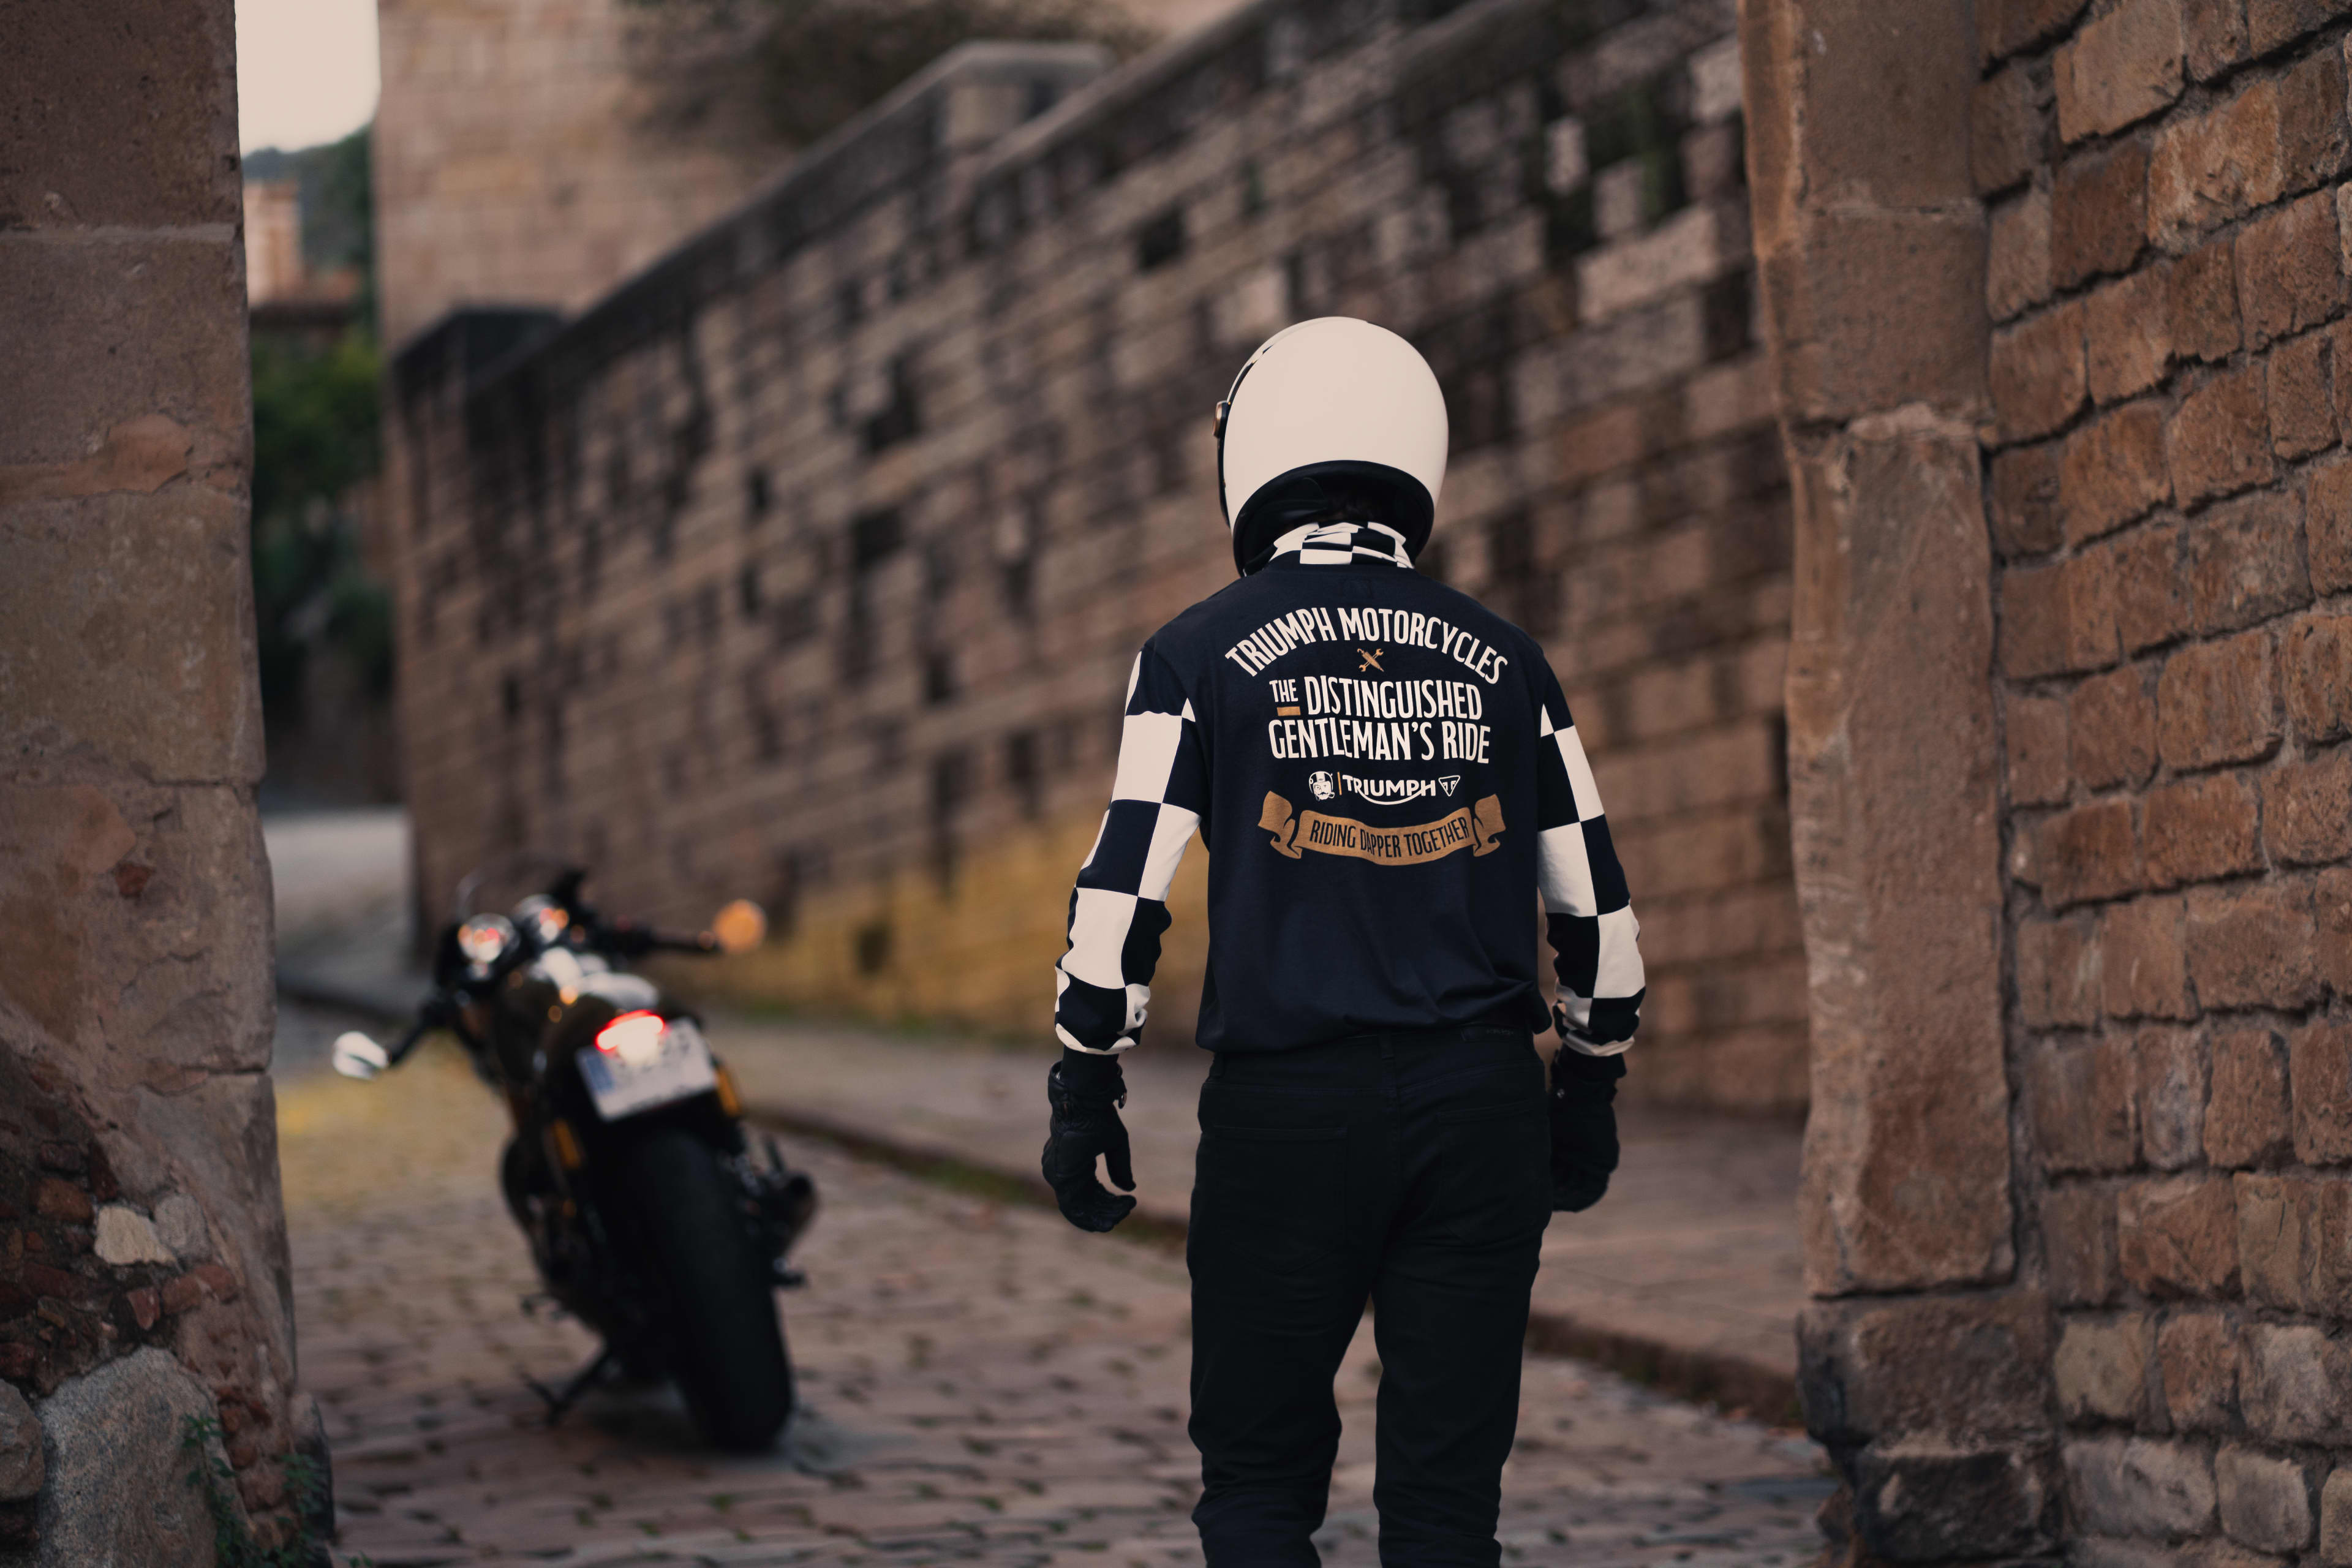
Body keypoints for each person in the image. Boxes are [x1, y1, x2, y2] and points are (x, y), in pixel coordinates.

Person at [1039, 317, 1645, 1566]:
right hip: (1481, 1107)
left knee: (1258, 1491)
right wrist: (1588, 1085)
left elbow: (1124, 888)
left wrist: (1084, 1076)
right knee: (1444, 1510)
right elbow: (1598, 910)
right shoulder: (1511, 662)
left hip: (1287, 1109)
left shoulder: (1196, 653)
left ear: (1250, 459)